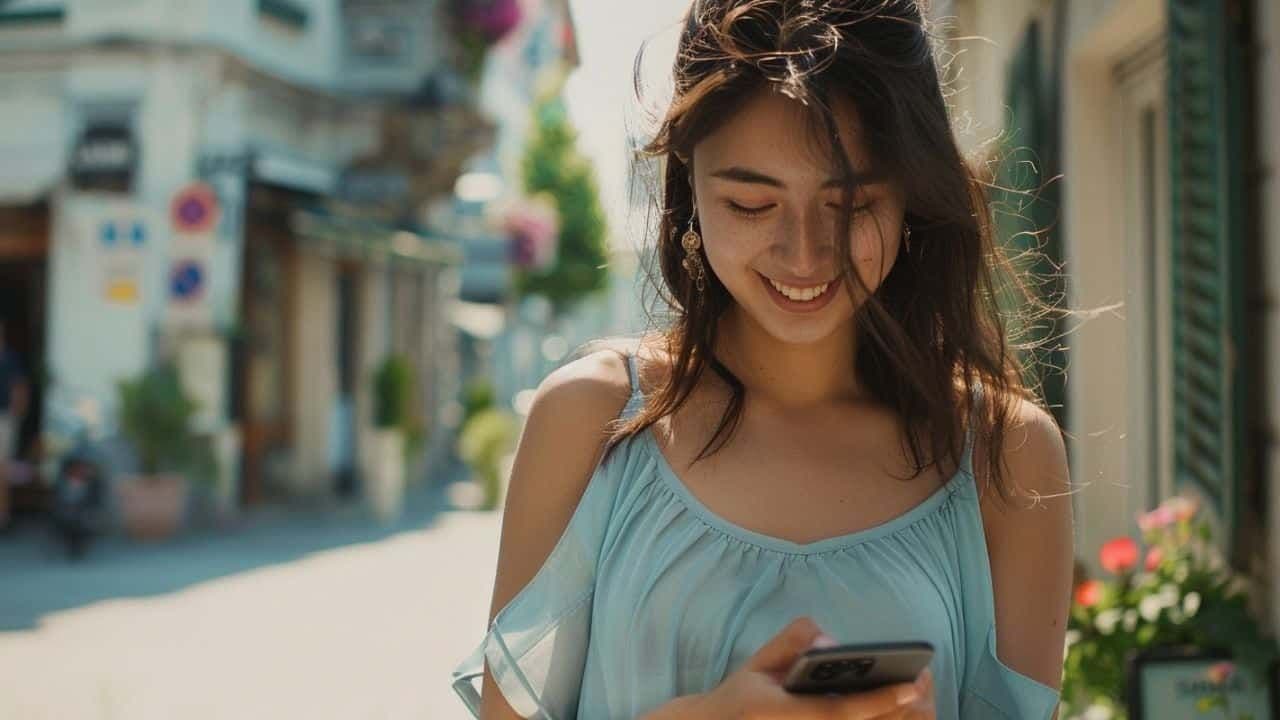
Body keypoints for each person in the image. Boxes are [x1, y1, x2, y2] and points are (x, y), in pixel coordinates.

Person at [451, 1, 1074, 718]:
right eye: (751, 203)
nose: (805, 254)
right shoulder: (590, 422)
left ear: (912, 195)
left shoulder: (1008, 454)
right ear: (689, 192)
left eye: (852, 205)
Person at [0, 320, 28, 464]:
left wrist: (17, 412)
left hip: (4, 417)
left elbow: (20, 387)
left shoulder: (11, 358)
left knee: (2, 461)